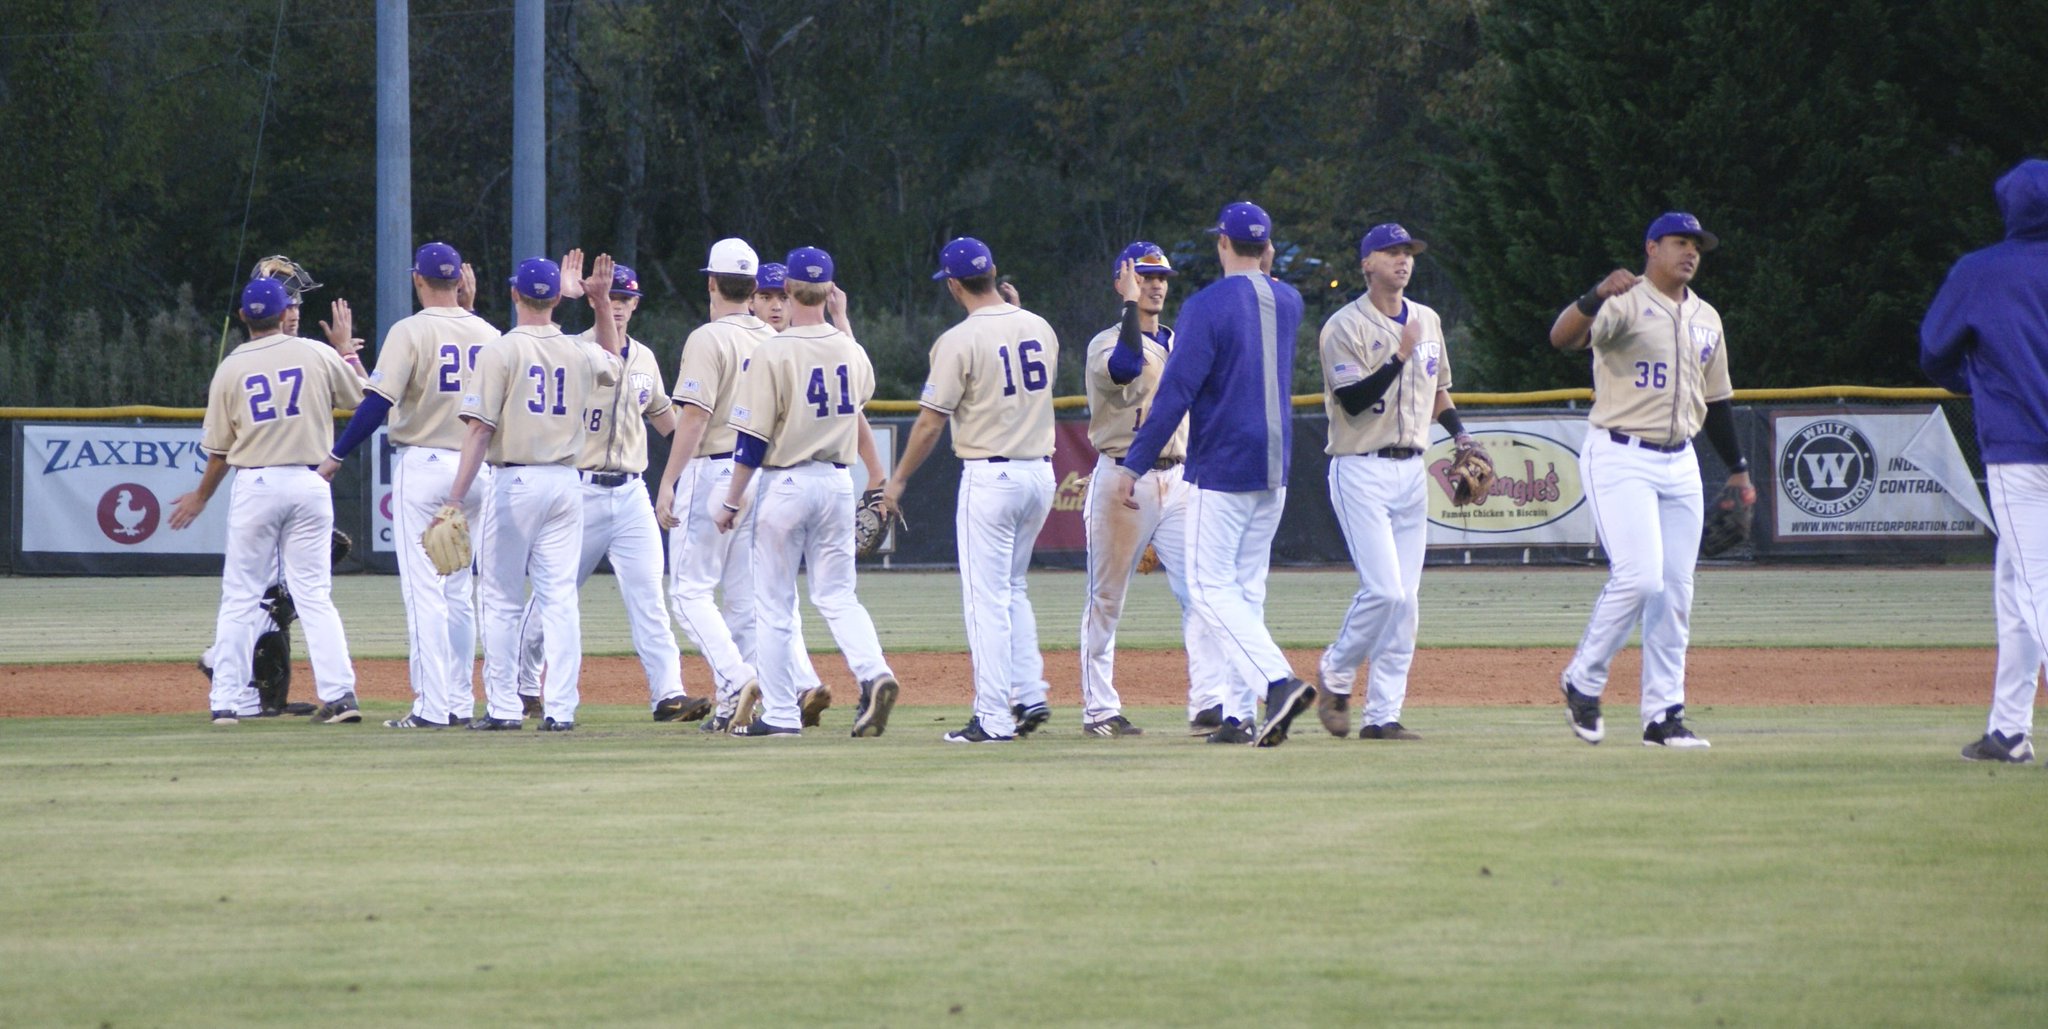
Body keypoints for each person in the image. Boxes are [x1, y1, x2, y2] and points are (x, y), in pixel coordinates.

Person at [1110, 201, 1313, 747]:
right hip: (1276, 464)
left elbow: (1176, 393)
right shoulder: (1290, 299)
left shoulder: (1206, 306)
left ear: (1223, 243)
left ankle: (1278, 682)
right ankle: (1235, 714)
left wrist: (1133, 463)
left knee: (1206, 587)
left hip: (1222, 462)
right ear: (1267, 248)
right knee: (1245, 590)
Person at [1547, 211, 1751, 748]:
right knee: (1639, 578)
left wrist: (1739, 470)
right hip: (1620, 453)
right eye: (1680, 242)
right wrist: (1593, 296)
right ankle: (1583, 680)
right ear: (1652, 248)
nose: (1691, 253)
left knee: (1675, 592)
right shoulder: (1625, 301)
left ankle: (1663, 717)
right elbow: (1562, 338)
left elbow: (1718, 399)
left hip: (1680, 460)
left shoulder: (1707, 316)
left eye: (1697, 246)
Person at [710, 246, 902, 737]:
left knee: (773, 605)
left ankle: (778, 715)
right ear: (829, 291)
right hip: (839, 483)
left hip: (786, 483)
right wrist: (843, 320)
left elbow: (752, 440)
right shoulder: (849, 349)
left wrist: (732, 499)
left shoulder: (773, 350)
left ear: (792, 290)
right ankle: (874, 671)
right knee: (838, 595)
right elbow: (860, 397)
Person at [512, 257, 712, 724]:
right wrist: (564, 294)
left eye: (626, 299)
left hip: (630, 493)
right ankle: (522, 684)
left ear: (636, 305)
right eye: (613, 297)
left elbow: (668, 421)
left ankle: (669, 694)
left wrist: (707, 454)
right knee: (552, 596)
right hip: (578, 492)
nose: (619, 306)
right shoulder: (572, 350)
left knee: (649, 596)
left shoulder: (644, 358)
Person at [882, 237, 1058, 743]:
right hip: (1040, 474)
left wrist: (897, 480)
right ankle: (1029, 693)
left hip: (992, 477)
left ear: (954, 285)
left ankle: (992, 718)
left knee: (986, 600)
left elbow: (930, 424)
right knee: (1012, 588)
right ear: (995, 272)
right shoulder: (1039, 327)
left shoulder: (958, 340)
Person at [320, 241, 501, 729]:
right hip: (476, 470)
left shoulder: (411, 330)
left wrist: (337, 455)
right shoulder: (490, 332)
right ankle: (461, 703)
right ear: (459, 282)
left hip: (424, 467)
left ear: (418, 280)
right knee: (461, 592)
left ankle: (430, 708)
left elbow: (379, 405)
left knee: (425, 593)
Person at [440, 255, 623, 731]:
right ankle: (561, 710)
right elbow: (615, 364)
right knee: (559, 598)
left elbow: (479, 431)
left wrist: (455, 497)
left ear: (515, 294)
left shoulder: (501, 350)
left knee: (499, 597)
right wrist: (600, 304)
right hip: (567, 484)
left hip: (516, 482)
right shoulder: (579, 351)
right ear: (557, 298)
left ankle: (503, 708)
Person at [172, 277, 366, 724]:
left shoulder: (231, 367)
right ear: (284, 315)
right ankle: (341, 696)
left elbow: (220, 450)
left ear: (243, 317)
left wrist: (202, 496)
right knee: (315, 595)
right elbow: (363, 398)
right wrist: (346, 354)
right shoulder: (316, 353)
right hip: (310, 481)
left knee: (240, 596)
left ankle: (226, 702)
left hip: (255, 483)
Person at [1312, 223, 1474, 741]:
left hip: (1412, 470)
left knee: (1406, 602)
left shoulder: (1427, 319)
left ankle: (1383, 716)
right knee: (1383, 591)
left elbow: (1439, 390)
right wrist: (1400, 355)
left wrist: (1462, 437)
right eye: (1391, 252)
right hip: (1360, 468)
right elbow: (1354, 400)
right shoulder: (1344, 326)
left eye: (1409, 252)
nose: (1403, 260)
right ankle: (1336, 672)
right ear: (1367, 264)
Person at [654, 239, 823, 732]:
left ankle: (735, 679)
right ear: (754, 289)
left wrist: (669, 480)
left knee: (688, 593)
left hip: (714, 470)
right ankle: (749, 702)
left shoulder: (708, 339)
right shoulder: (776, 341)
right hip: (761, 473)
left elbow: (693, 419)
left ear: (711, 282)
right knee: (747, 602)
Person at [1921, 158, 2048, 764]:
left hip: (2023, 451)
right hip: (2025, 450)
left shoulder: (1981, 271)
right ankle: (2008, 730)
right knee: (2014, 583)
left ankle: (2011, 732)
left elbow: (1934, 351)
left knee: (2039, 585)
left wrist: (1969, 380)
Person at [1077, 241, 1228, 737]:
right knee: (1107, 599)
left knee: (1200, 592)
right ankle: (1100, 710)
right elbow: (1124, 367)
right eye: (1145, 275)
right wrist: (1127, 306)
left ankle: (1210, 701)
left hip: (1180, 478)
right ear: (1124, 280)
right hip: (1125, 478)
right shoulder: (1106, 342)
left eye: (1161, 276)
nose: (1157, 283)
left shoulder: (1179, 340)